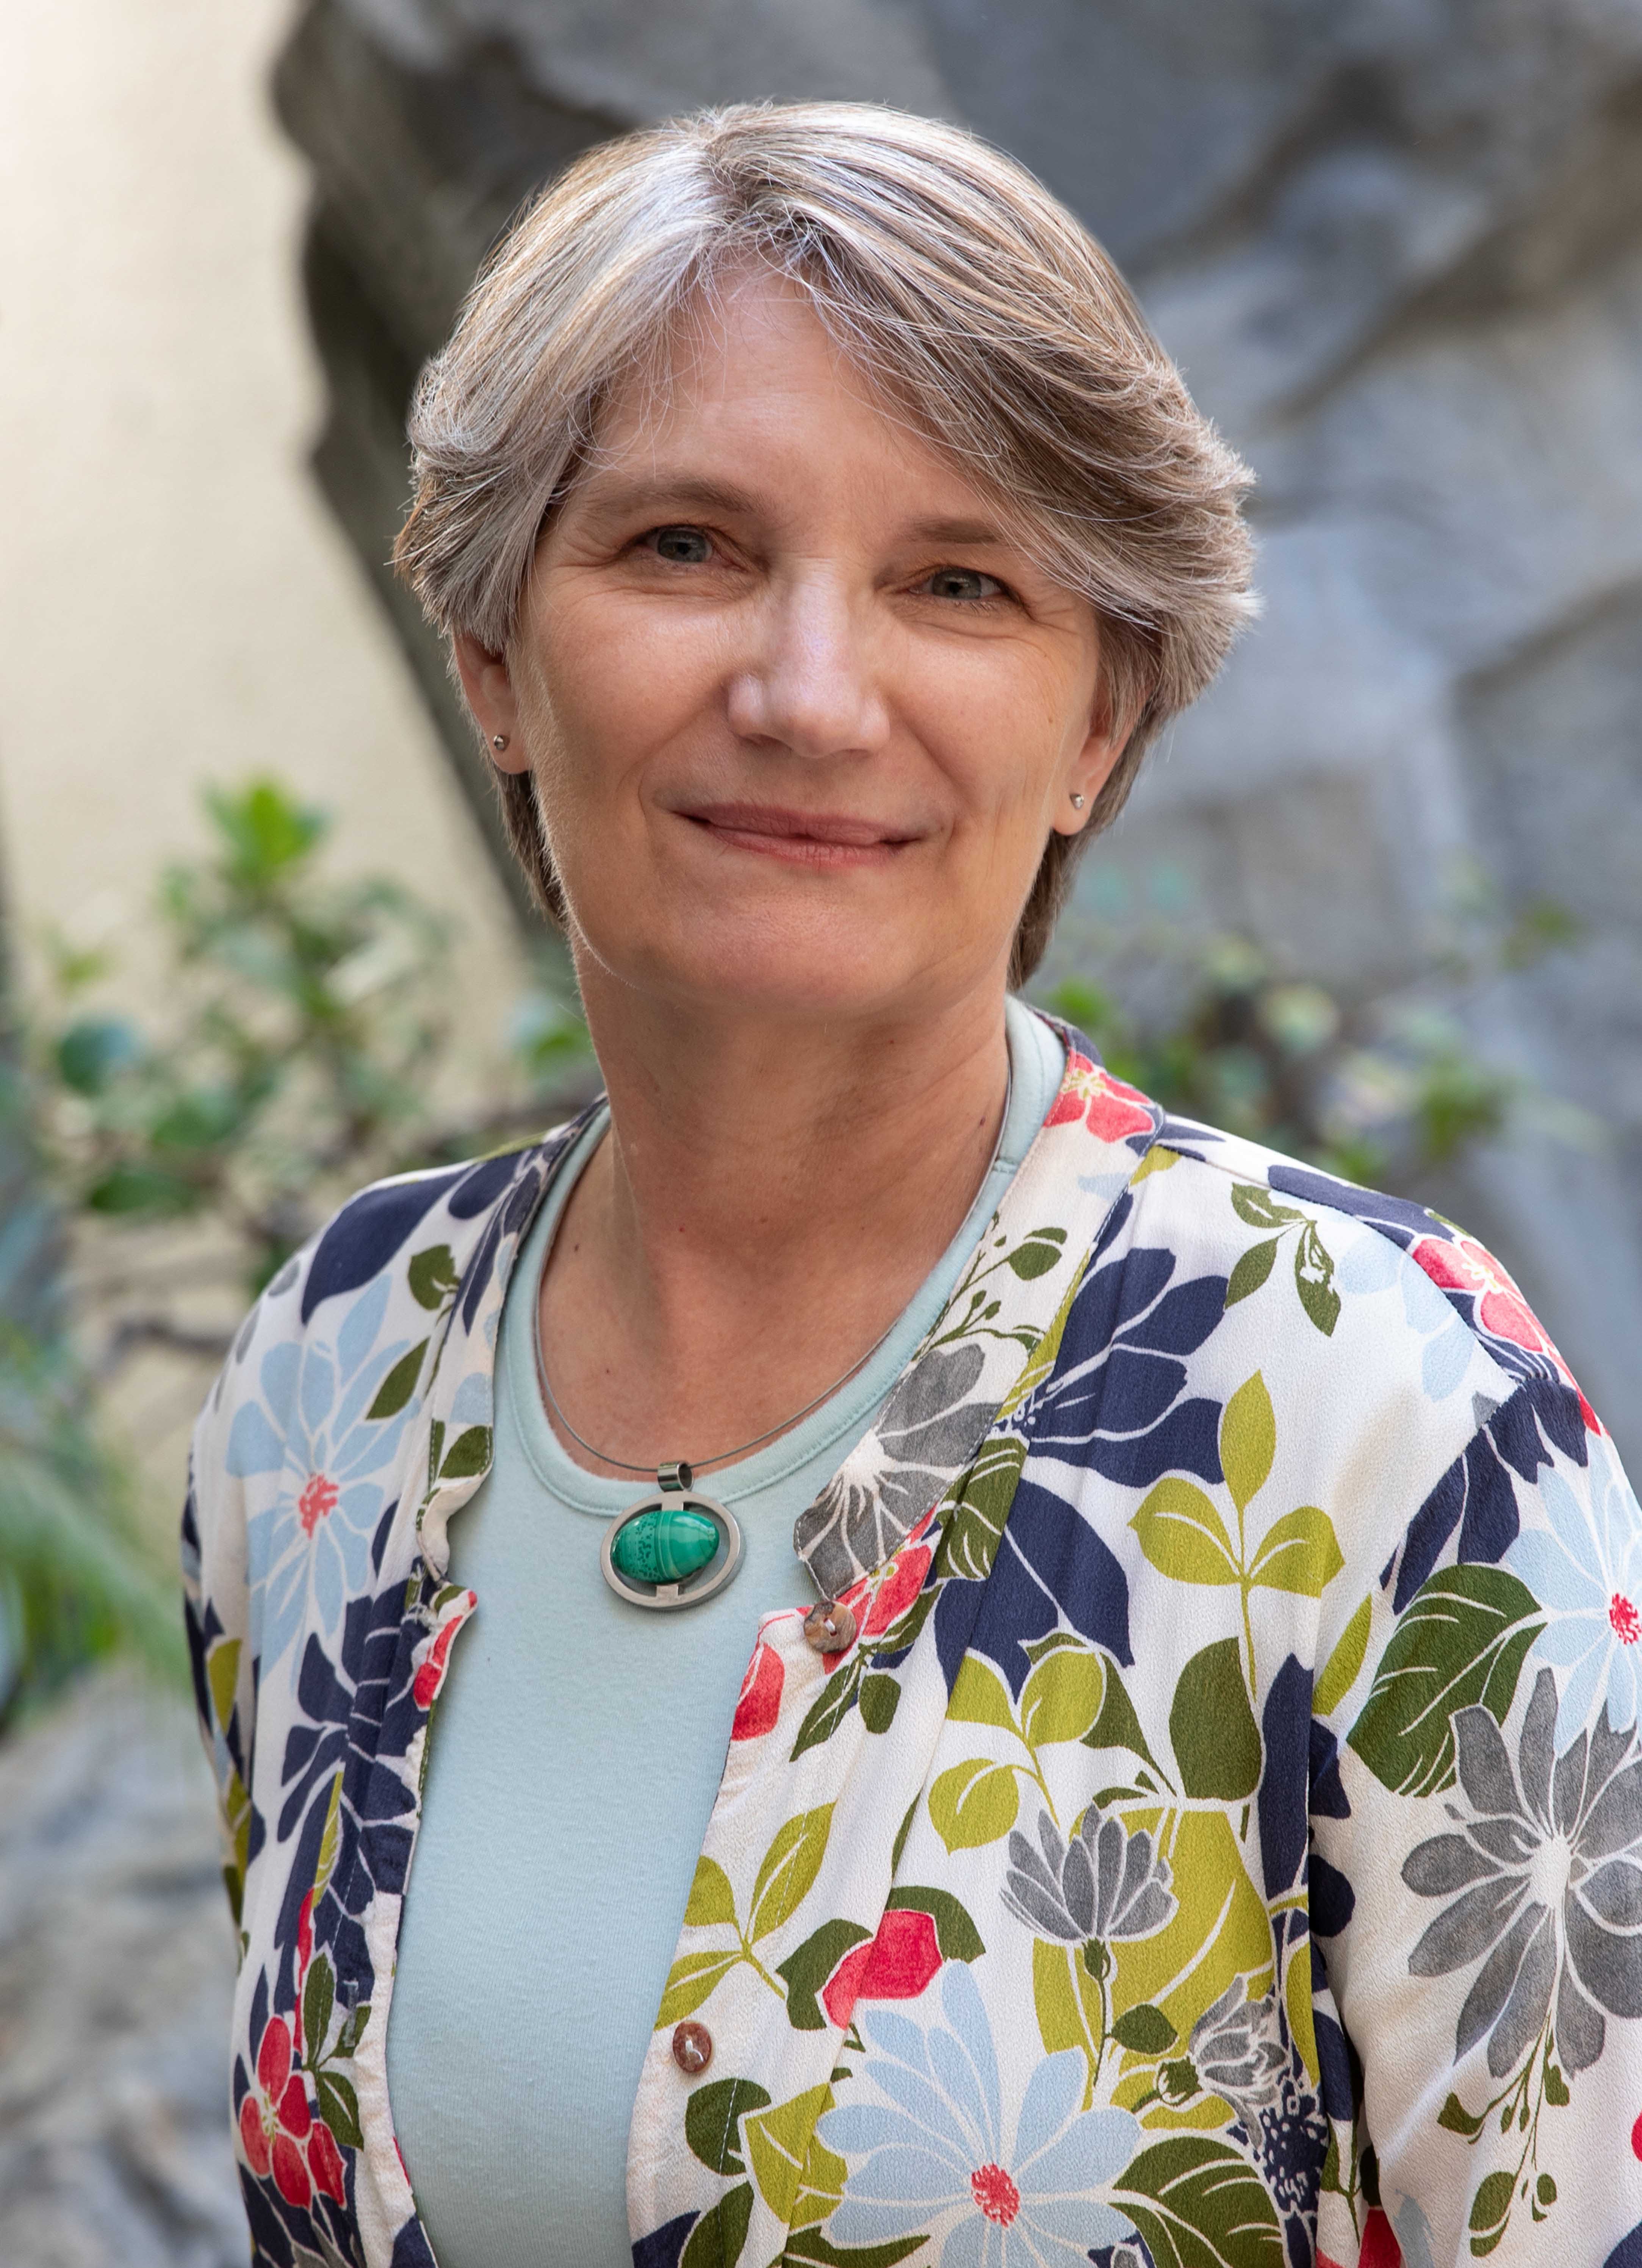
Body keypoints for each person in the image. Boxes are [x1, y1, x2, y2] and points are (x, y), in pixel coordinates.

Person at [183, 102, 1642, 2268]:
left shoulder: (1379, 1402)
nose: (810, 692)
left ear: (1098, 724)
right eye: (685, 546)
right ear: (490, 655)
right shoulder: (331, 1372)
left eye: (959, 583)